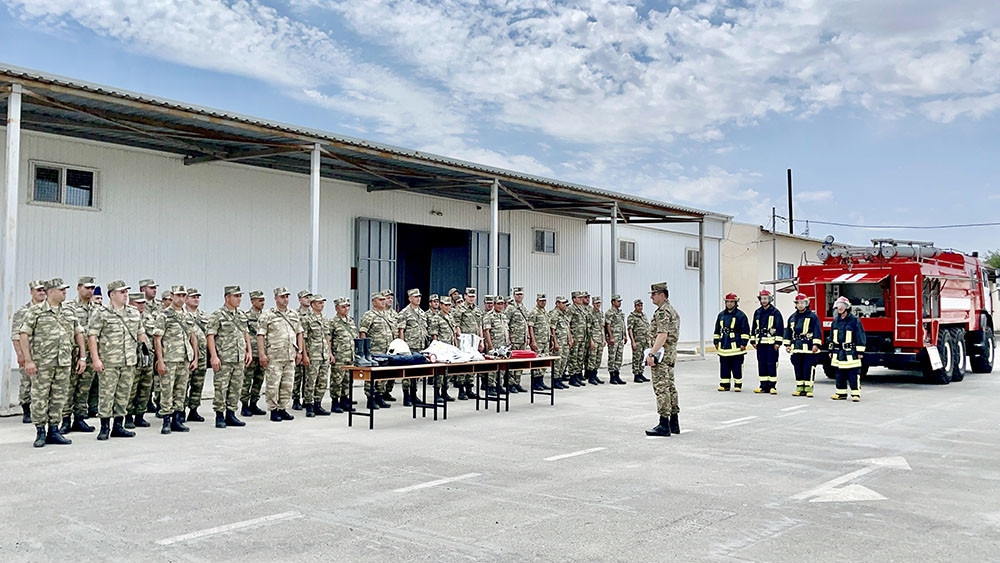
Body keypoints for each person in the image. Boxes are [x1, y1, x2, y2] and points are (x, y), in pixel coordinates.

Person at [19, 278, 87, 447]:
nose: (64, 292)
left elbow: (79, 333)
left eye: (65, 290)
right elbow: (24, 335)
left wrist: (82, 357)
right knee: (40, 397)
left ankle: (54, 430)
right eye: (61, 290)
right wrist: (28, 360)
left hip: (63, 362)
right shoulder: (36, 311)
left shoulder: (69, 311)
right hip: (43, 363)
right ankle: (40, 431)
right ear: (50, 292)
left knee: (59, 396)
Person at [87, 280, 144, 441]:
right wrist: (95, 359)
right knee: (106, 394)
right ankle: (105, 426)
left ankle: (118, 425)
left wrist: (144, 352)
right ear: (112, 295)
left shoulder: (133, 312)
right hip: (109, 361)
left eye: (126, 292)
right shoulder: (101, 312)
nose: (125, 295)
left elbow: (140, 334)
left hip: (129, 361)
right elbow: (92, 336)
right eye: (122, 292)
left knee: (123, 394)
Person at [153, 286, 199, 434]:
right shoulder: (164, 315)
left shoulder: (188, 316)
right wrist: (160, 360)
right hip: (169, 359)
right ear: (172, 296)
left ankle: (177, 419)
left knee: (181, 390)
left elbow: (193, 337)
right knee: (167, 390)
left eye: (183, 295)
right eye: (178, 295)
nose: (181, 298)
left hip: (184, 358)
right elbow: (157, 339)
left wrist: (195, 358)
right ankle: (166, 420)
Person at [206, 285, 252, 428]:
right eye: (236, 296)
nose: (239, 299)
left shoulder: (241, 315)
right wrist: (213, 356)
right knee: (221, 387)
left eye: (240, 296)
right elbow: (210, 336)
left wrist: (249, 351)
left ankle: (231, 414)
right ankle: (219, 415)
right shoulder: (217, 315)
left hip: (239, 358)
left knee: (236, 387)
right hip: (224, 358)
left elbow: (245, 333)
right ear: (227, 298)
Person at [257, 287, 305, 421]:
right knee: (273, 385)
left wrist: (300, 351)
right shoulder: (267, 315)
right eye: (282, 297)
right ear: (276, 298)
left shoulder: (293, 314)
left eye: (287, 296)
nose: (285, 299)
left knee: (287, 385)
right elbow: (260, 335)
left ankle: (283, 408)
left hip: (290, 356)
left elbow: (299, 333)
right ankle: (273, 410)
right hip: (274, 356)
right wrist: (262, 354)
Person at [645, 282, 681, 437]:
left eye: (654, 294)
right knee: (670, 387)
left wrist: (652, 354)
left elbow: (662, 335)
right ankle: (674, 423)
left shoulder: (663, 312)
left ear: (662, 295)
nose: (651, 297)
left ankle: (664, 424)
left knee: (661, 388)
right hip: (670, 354)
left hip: (662, 355)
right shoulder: (671, 310)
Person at [62, 276, 96, 434]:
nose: (90, 291)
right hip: (74, 353)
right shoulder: (69, 308)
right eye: (87, 288)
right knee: (69, 387)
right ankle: (65, 419)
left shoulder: (97, 308)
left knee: (84, 388)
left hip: (91, 353)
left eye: (92, 288)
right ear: (78, 288)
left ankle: (80, 418)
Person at [12, 280, 46, 424]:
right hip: (28, 352)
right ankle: (26, 409)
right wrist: (20, 354)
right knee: (27, 382)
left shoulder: (48, 309)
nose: (42, 293)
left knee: (42, 383)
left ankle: (41, 410)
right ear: (31, 292)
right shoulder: (23, 311)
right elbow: (16, 335)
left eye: (43, 290)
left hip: (44, 354)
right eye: (38, 290)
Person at [783, 293, 822, 397]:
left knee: (808, 368)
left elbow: (817, 331)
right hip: (796, 347)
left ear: (807, 304)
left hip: (809, 347)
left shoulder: (813, 317)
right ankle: (799, 388)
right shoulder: (792, 317)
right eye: (798, 303)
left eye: (802, 303)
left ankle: (808, 389)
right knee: (798, 367)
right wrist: (787, 344)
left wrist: (816, 344)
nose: (800, 305)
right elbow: (788, 332)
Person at [359, 292, 394, 409]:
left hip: (386, 351)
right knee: (372, 376)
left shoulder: (387, 315)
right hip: (374, 351)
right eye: (380, 300)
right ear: (374, 302)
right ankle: (370, 398)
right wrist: (364, 350)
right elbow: (363, 332)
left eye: (384, 300)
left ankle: (379, 396)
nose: (383, 302)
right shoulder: (369, 315)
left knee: (383, 375)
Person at [124, 292, 154, 429]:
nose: (142, 305)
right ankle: (128, 416)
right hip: (133, 357)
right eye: (138, 303)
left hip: (147, 356)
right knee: (131, 389)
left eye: (143, 303)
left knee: (145, 387)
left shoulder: (149, 317)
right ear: (131, 303)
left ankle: (140, 415)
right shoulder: (127, 317)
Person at [829, 296, 866, 402]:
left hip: (851, 352)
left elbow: (860, 335)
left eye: (842, 306)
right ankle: (841, 393)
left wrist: (860, 351)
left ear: (847, 307)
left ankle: (855, 394)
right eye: (838, 306)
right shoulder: (835, 321)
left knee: (853, 374)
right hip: (838, 352)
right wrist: (831, 350)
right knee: (839, 373)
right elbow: (831, 337)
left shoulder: (854, 321)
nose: (840, 308)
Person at [301, 294, 332, 417]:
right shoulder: (307, 318)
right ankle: (309, 405)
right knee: (310, 381)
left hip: (324, 354)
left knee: (322, 381)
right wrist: (305, 355)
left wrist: (329, 353)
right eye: (319, 303)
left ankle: (318, 404)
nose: (322, 305)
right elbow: (303, 338)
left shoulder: (324, 318)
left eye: (323, 303)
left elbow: (327, 336)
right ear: (313, 304)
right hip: (313, 354)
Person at [397, 288, 429, 406]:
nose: (418, 299)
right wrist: (402, 346)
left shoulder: (422, 313)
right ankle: (406, 396)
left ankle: (414, 394)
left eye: (419, 296)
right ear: (410, 298)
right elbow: (401, 330)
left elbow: (425, 329)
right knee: (408, 373)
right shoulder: (404, 313)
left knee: (416, 372)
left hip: (420, 346)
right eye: (415, 297)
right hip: (409, 346)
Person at [750, 289, 784, 395]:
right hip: (760, 343)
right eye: (762, 299)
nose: (763, 301)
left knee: (771, 364)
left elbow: (780, 328)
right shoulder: (757, 312)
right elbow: (754, 327)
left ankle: (772, 386)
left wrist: (778, 342)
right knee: (762, 364)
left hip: (771, 344)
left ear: (770, 299)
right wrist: (753, 340)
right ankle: (763, 386)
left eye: (765, 299)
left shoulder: (775, 312)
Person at [713, 293, 750, 392]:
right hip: (724, 346)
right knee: (724, 367)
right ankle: (724, 385)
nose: (729, 303)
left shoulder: (741, 315)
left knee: (737, 367)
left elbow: (745, 331)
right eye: (727, 301)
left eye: (731, 302)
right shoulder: (721, 315)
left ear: (736, 303)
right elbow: (717, 330)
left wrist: (743, 343)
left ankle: (738, 385)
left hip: (736, 347)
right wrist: (716, 341)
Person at [183, 288, 209, 423]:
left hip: (202, 355)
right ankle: (180, 411)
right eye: (193, 297)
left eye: (198, 297)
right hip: (186, 356)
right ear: (186, 299)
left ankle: (193, 410)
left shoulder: (203, 315)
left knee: (198, 384)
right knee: (183, 384)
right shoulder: (181, 315)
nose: (196, 299)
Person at [328, 297, 358, 413]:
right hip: (339, 356)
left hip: (350, 356)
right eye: (343, 307)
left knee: (348, 380)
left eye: (348, 306)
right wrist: (330, 354)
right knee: (337, 380)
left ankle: (345, 400)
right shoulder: (333, 322)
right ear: (337, 308)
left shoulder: (351, 321)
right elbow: (329, 339)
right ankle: (335, 402)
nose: (346, 309)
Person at [240, 290, 268, 417]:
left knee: (259, 380)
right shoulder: (246, 316)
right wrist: (247, 351)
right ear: (252, 301)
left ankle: (254, 403)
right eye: (260, 300)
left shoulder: (266, 316)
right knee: (247, 380)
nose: (262, 302)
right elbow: (244, 334)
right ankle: (244, 405)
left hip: (262, 353)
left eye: (263, 300)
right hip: (251, 353)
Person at [482, 295, 510, 395]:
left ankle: (499, 385)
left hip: (503, 344)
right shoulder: (489, 316)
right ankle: (491, 386)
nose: (500, 306)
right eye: (498, 304)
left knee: (502, 367)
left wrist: (508, 340)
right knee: (492, 367)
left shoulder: (503, 316)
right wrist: (490, 346)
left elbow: (506, 329)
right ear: (494, 304)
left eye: (502, 304)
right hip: (494, 344)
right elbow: (486, 332)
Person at [527, 293, 553, 391]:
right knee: (537, 362)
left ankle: (541, 380)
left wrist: (550, 340)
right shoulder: (534, 312)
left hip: (545, 341)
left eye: (544, 301)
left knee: (543, 361)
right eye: (541, 301)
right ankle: (535, 382)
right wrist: (533, 340)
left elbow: (548, 327)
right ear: (537, 301)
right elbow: (530, 327)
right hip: (538, 341)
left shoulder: (545, 312)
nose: (543, 302)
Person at [507, 287, 530, 393]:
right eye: (517, 294)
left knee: (520, 362)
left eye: (521, 294)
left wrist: (528, 336)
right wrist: (508, 338)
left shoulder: (523, 308)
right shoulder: (510, 308)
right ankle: (510, 383)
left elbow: (526, 323)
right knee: (513, 362)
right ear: (514, 295)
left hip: (523, 339)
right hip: (514, 339)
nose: (519, 296)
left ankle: (517, 382)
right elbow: (506, 323)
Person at [292, 289, 312, 410]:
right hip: (299, 347)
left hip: (311, 348)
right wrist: (300, 350)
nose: (308, 300)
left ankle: (306, 398)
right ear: (300, 300)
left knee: (308, 375)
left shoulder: (313, 313)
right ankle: (296, 399)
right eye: (305, 297)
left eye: (309, 297)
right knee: (297, 375)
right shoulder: (295, 314)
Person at [548, 296, 572, 389]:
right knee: (557, 362)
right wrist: (555, 342)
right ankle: (555, 380)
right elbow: (552, 329)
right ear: (557, 304)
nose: (565, 304)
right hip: (559, 341)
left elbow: (567, 327)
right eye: (563, 303)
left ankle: (560, 379)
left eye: (565, 303)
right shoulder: (554, 314)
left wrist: (570, 339)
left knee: (563, 361)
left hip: (565, 341)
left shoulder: (564, 314)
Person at [566, 291, 589, 387]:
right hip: (575, 337)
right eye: (579, 298)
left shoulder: (582, 308)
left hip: (582, 337)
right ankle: (572, 377)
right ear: (574, 299)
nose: (581, 299)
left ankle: (577, 375)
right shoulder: (571, 309)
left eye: (581, 297)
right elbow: (567, 323)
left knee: (580, 358)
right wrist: (570, 337)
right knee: (573, 358)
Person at [605, 295, 627, 385]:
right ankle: (612, 376)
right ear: (613, 302)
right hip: (613, 338)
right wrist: (611, 337)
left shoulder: (620, 313)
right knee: (612, 357)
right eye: (618, 301)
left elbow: (623, 325)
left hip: (620, 338)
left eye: (620, 301)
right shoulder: (609, 312)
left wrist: (625, 335)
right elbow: (608, 325)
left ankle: (617, 374)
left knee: (619, 357)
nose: (619, 303)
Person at [627, 299, 650, 383]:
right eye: (638, 306)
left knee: (643, 358)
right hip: (638, 341)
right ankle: (636, 375)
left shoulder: (644, 315)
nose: (640, 307)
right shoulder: (632, 316)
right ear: (635, 306)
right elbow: (630, 329)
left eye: (641, 305)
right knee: (637, 358)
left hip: (645, 341)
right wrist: (632, 341)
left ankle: (641, 373)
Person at [585, 294, 606, 385]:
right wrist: (591, 341)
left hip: (600, 339)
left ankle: (595, 374)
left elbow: (602, 327)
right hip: (594, 339)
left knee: (598, 359)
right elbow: (588, 329)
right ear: (593, 304)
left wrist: (604, 339)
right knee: (592, 359)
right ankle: (591, 377)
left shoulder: (601, 314)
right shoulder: (590, 314)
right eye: (596, 303)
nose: (598, 305)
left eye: (599, 303)